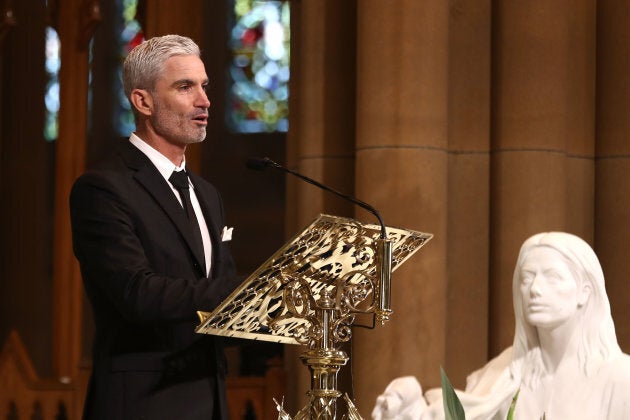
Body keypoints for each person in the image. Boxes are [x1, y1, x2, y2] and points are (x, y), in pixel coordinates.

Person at [70, 34, 243, 419]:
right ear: (142, 101)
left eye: (204, 86)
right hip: (144, 403)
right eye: (185, 87)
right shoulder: (103, 188)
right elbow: (136, 292)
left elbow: (220, 285)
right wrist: (243, 295)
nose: (204, 101)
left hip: (210, 399)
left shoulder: (207, 194)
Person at [372, 232, 630, 419]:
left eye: (553, 277)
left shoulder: (620, 379)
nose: (535, 290)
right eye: (527, 278)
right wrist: (408, 403)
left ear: (585, 292)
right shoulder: (506, 373)